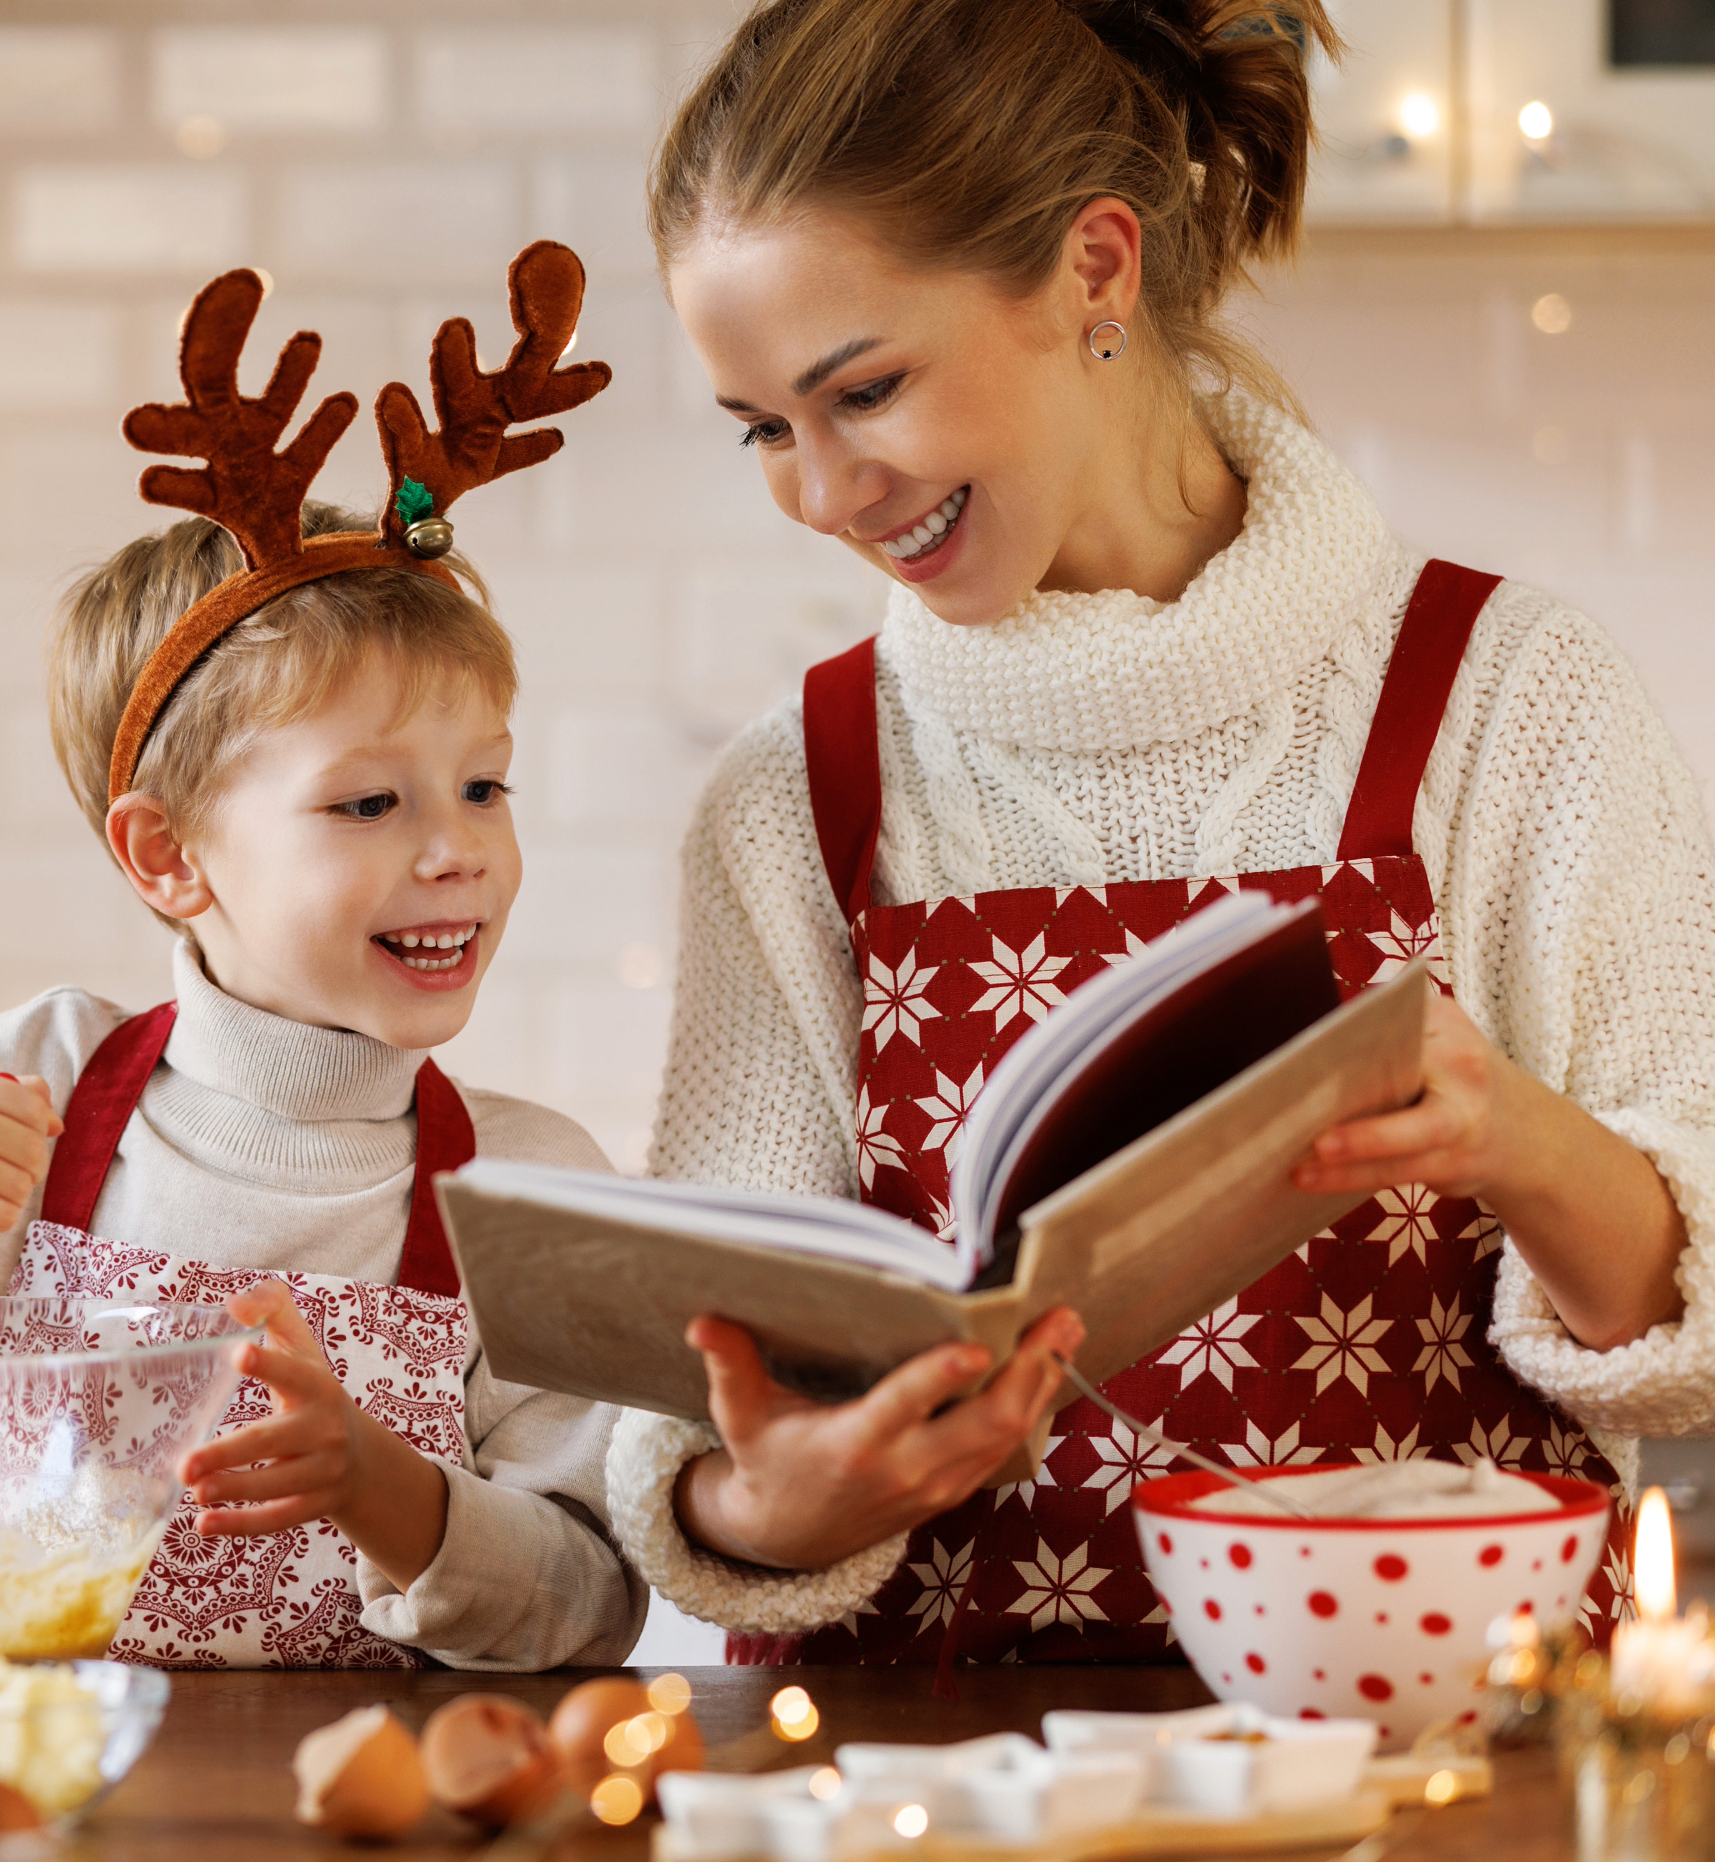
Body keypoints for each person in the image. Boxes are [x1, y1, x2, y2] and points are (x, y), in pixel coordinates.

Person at [604, 0, 1715, 1666]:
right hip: (943, 1793)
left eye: (866, 391)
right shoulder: (797, 796)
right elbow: (691, 1426)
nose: (826, 496)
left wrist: (1512, 1133)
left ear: (1095, 271)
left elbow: (1684, 1340)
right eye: (766, 427)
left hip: (1430, 1771)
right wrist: (776, 1507)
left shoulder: (1507, 700)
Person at [0, 250, 649, 1671]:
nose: (456, 847)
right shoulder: (23, 1092)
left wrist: (381, 1488)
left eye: (484, 786)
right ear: (168, 857)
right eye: (369, 802)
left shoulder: (531, 1193)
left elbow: (592, 1603)